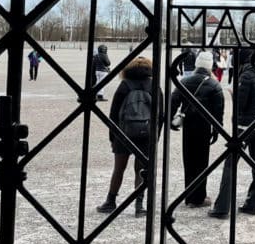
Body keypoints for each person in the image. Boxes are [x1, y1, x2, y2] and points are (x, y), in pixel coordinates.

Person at [209, 50, 255, 217]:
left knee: (230, 165)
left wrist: (234, 95)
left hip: (245, 126)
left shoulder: (247, 75)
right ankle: (253, 204)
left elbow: (242, 103)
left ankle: (222, 207)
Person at [96, 56, 161, 217]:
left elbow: (113, 114)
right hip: (146, 134)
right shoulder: (154, 85)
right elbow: (161, 115)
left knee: (119, 169)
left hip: (124, 133)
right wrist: (156, 137)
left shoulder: (124, 85)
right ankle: (139, 205)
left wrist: (113, 136)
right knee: (141, 170)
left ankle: (110, 201)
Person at [171, 51, 224, 208]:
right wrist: (216, 130)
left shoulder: (185, 81)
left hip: (188, 123)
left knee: (188, 160)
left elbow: (173, 101)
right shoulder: (214, 84)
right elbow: (218, 110)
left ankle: (189, 195)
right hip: (204, 125)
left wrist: (170, 121)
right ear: (209, 66)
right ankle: (199, 196)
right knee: (202, 162)